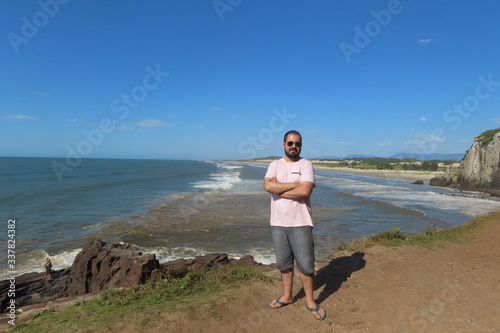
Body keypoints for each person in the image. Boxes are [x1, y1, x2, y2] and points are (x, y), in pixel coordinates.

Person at [263, 130, 326, 321]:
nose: (293, 146)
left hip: (301, 222)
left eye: (297, 144)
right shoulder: (275, 164)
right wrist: (294, 185)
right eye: (290, 143)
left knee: (306, 265)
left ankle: (310, 301)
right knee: (283, 263)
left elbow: (305, 191)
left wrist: (279, 187)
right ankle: (287, 296)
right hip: (278, 223)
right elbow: (267, 187)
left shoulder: (306, 165)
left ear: (301, 146)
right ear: (283, 144)